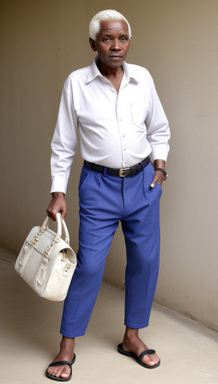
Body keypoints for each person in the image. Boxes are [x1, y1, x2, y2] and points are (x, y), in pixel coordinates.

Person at [46, 9, 170, 381]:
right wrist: (58, 192)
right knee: (89, 266)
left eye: (122, 39)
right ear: (93, 44)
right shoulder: (77, 84)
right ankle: (67, 346)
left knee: (145, 262)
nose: (116, 46)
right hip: (98, 186)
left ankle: (132, 337)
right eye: (107, 39)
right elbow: (63, 144)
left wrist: (159, 169)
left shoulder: (143, 79)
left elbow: (159, 129)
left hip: (143, 182)